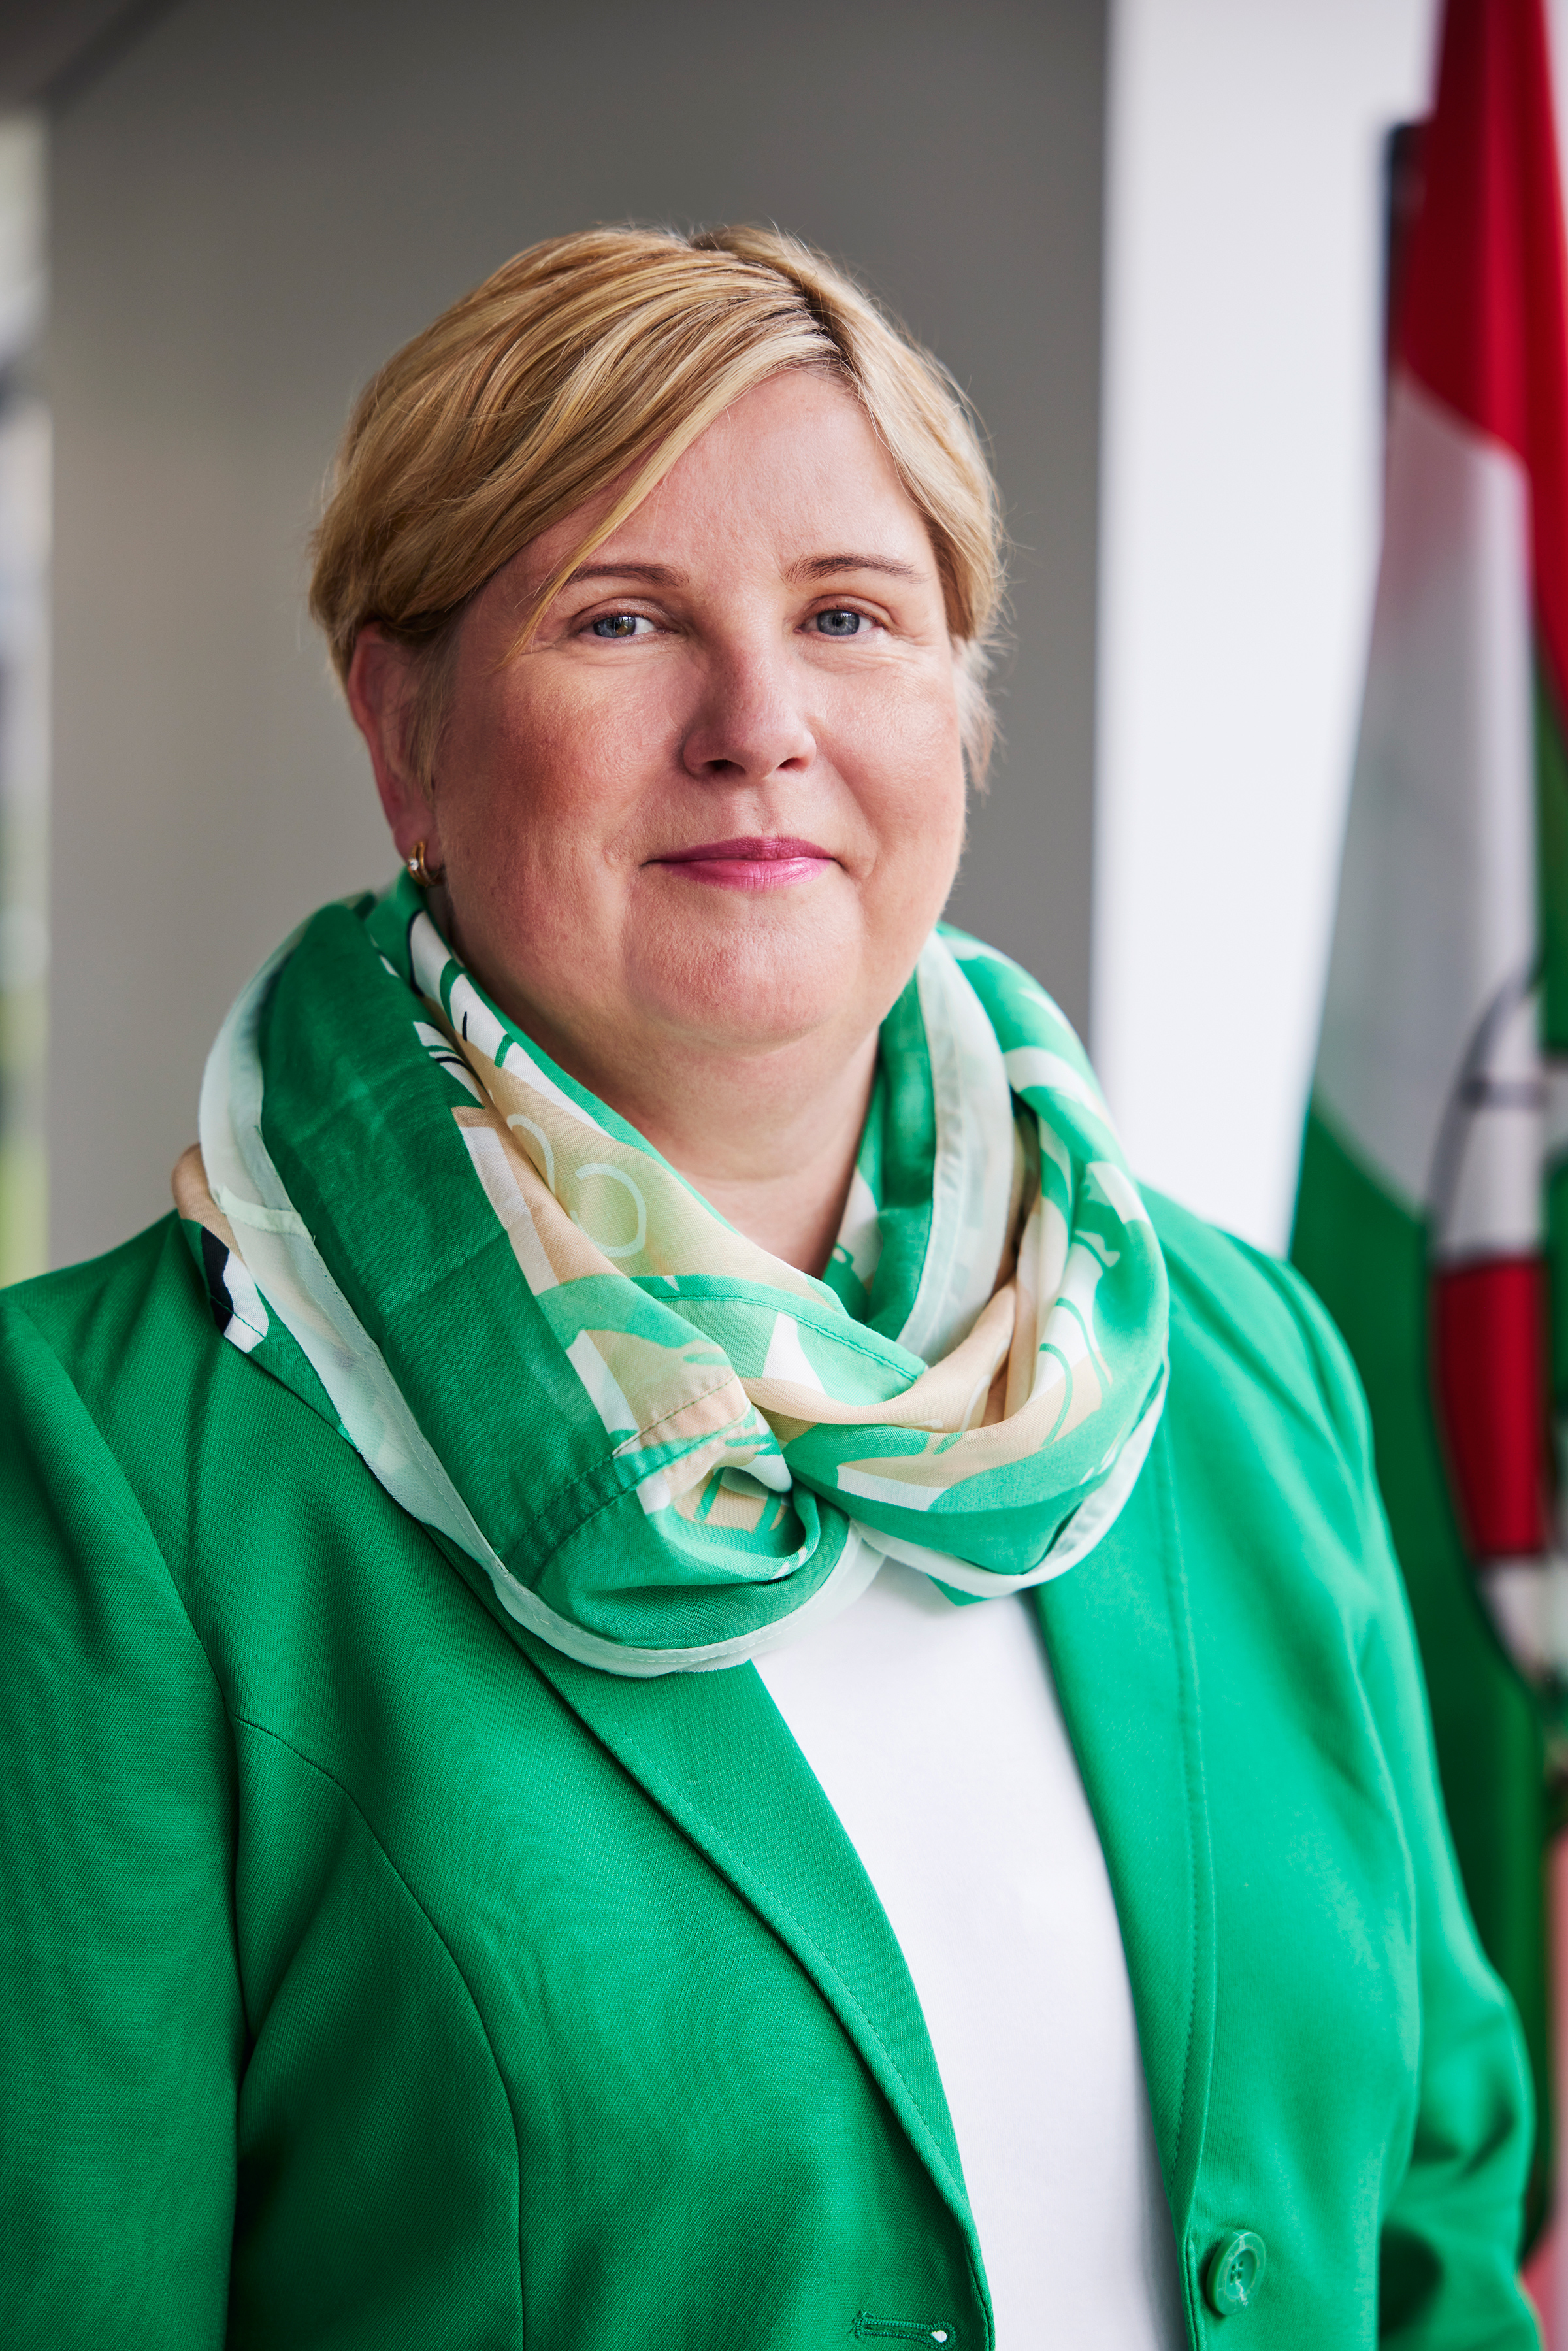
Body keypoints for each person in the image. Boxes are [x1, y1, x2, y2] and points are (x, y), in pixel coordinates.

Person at [0, 225, 1538, 2351]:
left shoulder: (1241, 1362)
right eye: (622, 617)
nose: (760, 727)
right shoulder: (105, 1474)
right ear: (402, 731)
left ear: (959, 706)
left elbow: (1433, 2214)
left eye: (849, 616)